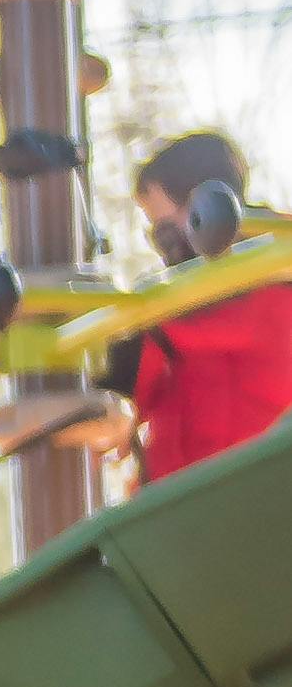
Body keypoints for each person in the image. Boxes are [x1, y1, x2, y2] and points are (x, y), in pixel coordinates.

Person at [116, 133, 292, 485]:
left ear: (207, 207)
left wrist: (136, 320)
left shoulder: (271, 275)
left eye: (165, 225)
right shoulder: (180, 305)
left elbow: (223, 326)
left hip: (242, 493)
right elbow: (141, 386)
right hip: (178, 498)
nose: (162, 243)